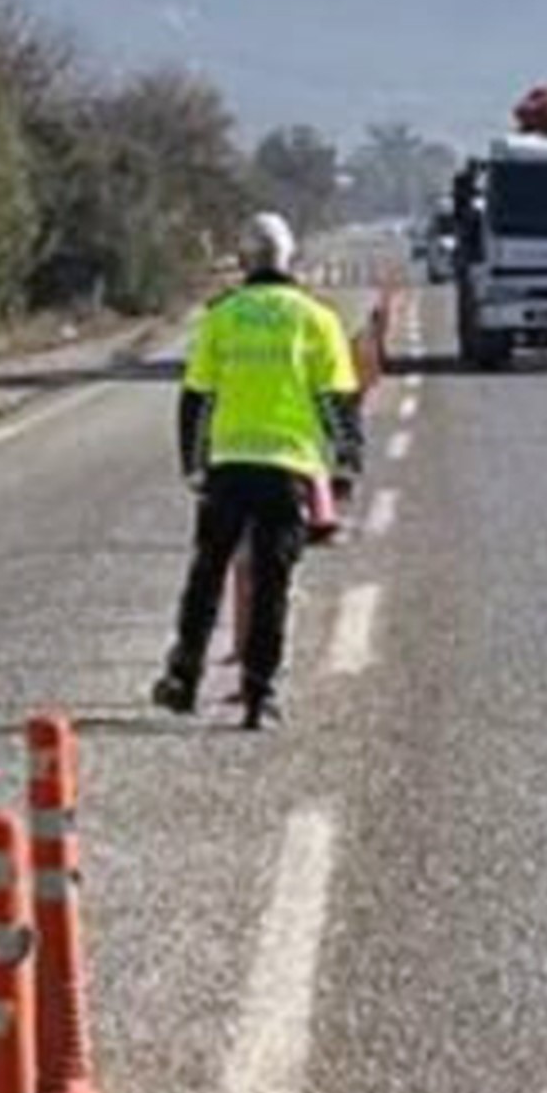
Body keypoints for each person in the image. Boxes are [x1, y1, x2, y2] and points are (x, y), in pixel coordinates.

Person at [152, 208, 364, 732]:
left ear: (244, 259)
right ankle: (260, 695)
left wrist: (193, 465)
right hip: (288, 468)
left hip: (229, 467)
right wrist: (346, 468)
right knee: (272, 582)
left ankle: (184, 677)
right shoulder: (316, 319)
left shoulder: (223, 316)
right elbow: (337, 402)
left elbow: (197, 397)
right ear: (290, 258)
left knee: (207, 574)